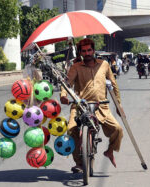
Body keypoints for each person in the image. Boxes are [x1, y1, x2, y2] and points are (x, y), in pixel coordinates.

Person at [60, 38, 123, 173]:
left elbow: (114, 84)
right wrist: (63, 95)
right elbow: (67, 82)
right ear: (81, 53)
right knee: (71, 129)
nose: (87, 53)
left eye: (89, 50)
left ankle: (110, 151)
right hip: (80, 107)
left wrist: (119, 105)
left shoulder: (104, 64)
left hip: (101, 107)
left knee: (117, 129)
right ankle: (79, 163)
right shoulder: (76, 67)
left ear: (93, 51)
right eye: (84, 51)